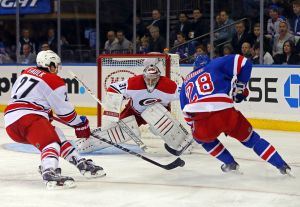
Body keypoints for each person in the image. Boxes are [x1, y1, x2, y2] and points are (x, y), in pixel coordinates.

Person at [4, 50, 105, 189]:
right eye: (56, 66)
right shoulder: (52, 80)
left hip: (11, 121)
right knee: (51, 143)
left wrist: (44, 111)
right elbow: (66, 114)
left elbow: (26, 98)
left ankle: (80, 162)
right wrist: (81, 124)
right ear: (50, 65)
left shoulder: (26, 72)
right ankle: (49, 172)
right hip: (28, 118)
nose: (57, 70)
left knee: (57, 133)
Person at [179, 54, 292, 175]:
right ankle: (282, 166)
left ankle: (230, 163)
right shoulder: (215, 64)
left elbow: (186, 113)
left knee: (203, 139)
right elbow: (245, 62)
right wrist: (240, 86)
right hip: (227, 113)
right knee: (253, 139)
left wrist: (194, 128)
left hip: (203, 120)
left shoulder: (186, 82)